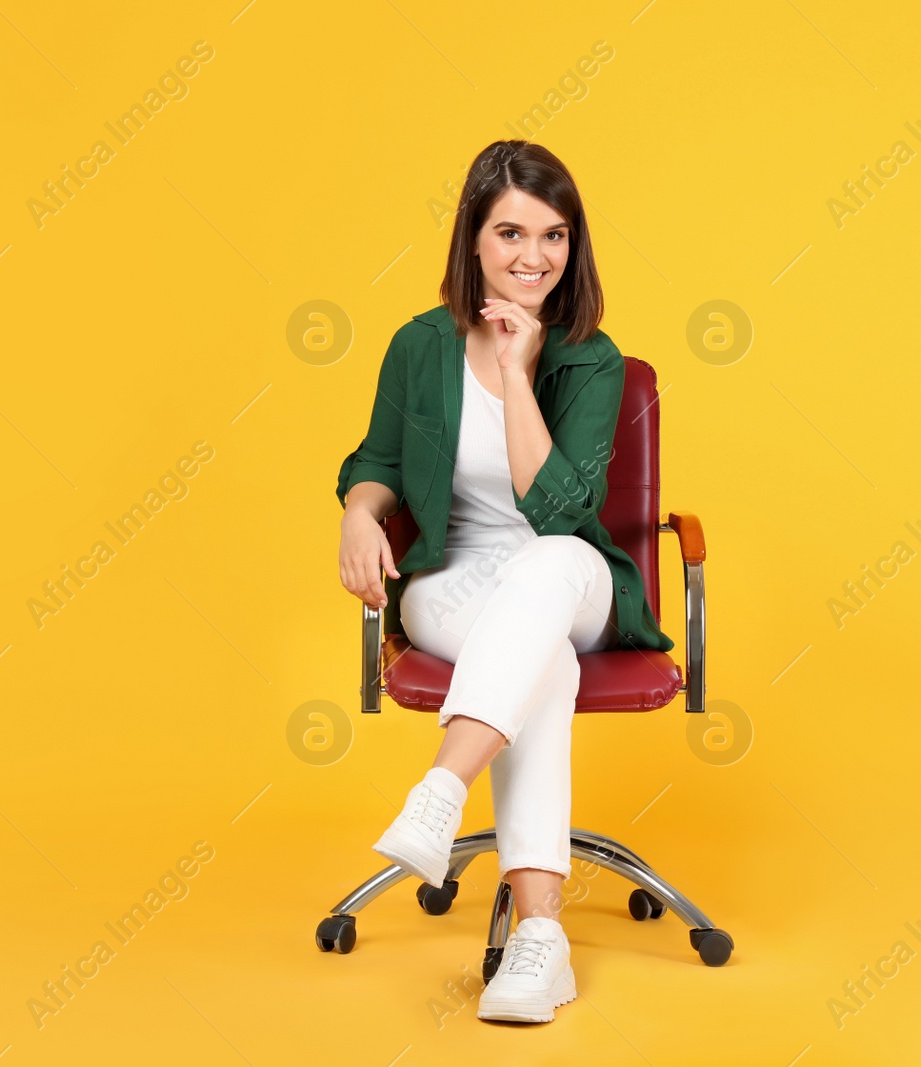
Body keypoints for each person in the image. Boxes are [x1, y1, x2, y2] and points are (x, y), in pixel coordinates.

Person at [335, 139, 673, 1024]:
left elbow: (562, 514)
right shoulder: (419, 345)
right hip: (457, 584)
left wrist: (520, 375)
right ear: (473, 242)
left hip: (577, 578)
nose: (535, 257)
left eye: (555, 236)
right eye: (512, 233)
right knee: (543, 664)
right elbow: (374, 460)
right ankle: (539, 941)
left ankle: (441, 789)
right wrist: (360, 513)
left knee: (549, 565)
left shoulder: (591, 359)